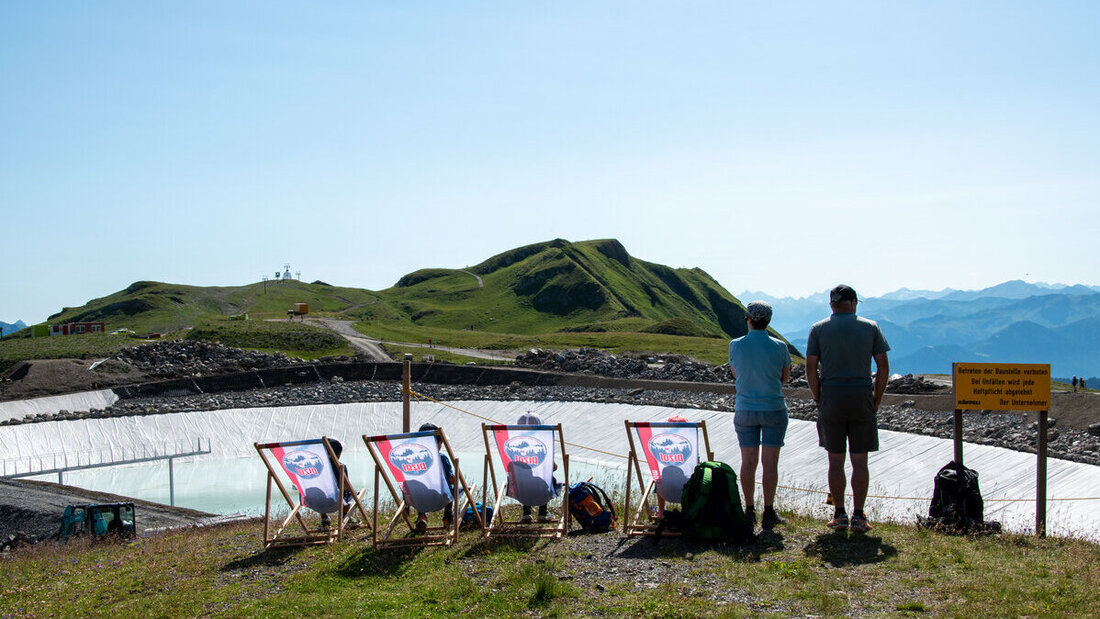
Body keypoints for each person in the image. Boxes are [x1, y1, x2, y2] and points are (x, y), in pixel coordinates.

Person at [806, 285, 890, 534]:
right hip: (861, 396)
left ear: (832, 304)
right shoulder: (870, 327)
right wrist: (877, 397)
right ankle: (859, 516)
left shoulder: (818, 329)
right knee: (860, 461)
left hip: (831, 397)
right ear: (853, 302)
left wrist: (819, 396)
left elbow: (811, 369)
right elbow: (883, 367)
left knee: (835, 460)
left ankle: (839, 513)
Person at [728, 300, 792, 530]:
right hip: (774, 408)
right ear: (768, 321)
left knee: (748, 461)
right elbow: (784, 378)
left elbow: (736, 374)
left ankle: (749, 509)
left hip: (745, 408)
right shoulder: (780, 347)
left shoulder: (735, 345)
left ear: (748, 318)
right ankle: (768, 510)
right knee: (770, 462)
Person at [515, 411, 560, 523]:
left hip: (519, 485)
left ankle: (526, 513)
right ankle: (542, 513)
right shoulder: (541, 447)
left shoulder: (514, 446)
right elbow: (553, 468)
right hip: (539, 485)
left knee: (523, 480)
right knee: (549, 480)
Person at [415, 423, 455, 531]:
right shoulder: (442, 458)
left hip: (419, 499)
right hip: (440, 498)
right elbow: (451, 480)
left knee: (418, 488)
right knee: (452, 488)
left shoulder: (413, 459)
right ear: (437, 443)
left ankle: (421, 516)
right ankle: (447, 517)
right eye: (440, 442)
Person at [319, 438, 356, 530]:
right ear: (338, 454)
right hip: (336, 502)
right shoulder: (340, 467)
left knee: (320, 492)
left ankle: (324, 519)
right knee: (349, 491)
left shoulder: (316, 468)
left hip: (317, 503)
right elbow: (345, 486)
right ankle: (345, 516)